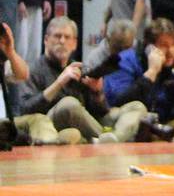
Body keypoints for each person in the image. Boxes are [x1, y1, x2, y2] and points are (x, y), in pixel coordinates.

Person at [16, 17, 152, 144]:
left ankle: (113, 139)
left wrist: (98, 93)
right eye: (57, 36)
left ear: (74, 43)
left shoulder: (80, 68)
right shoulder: (33, 69)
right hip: (48, 124)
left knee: (137, 106)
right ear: (46, 40)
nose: (62, 41)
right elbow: (26, 109)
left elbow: (101, 112)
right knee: (69, 104)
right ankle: (106, 140)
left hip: (87, 123)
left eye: (67, 37)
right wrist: (59, 82)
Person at [102, 17, 174, 130]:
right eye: (164, 45)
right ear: (149, 47)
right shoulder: (123, 61)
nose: (171, 52)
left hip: (166, 127)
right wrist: (151, 73)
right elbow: (119, 102)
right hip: (128, 125)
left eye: (173, 45)